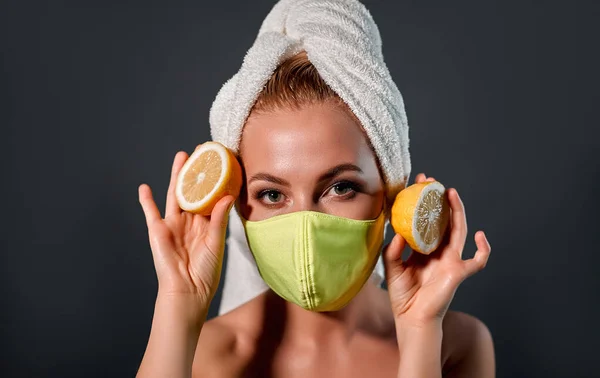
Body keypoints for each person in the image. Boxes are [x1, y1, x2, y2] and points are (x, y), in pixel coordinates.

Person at [136, 1, 494, 377]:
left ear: (391, 192)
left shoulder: (455, 344)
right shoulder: (201, 357)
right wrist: (179, 303)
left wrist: (420, 332)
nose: (305, 225)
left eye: (341, 187)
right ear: (239, 206)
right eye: (272, 195)